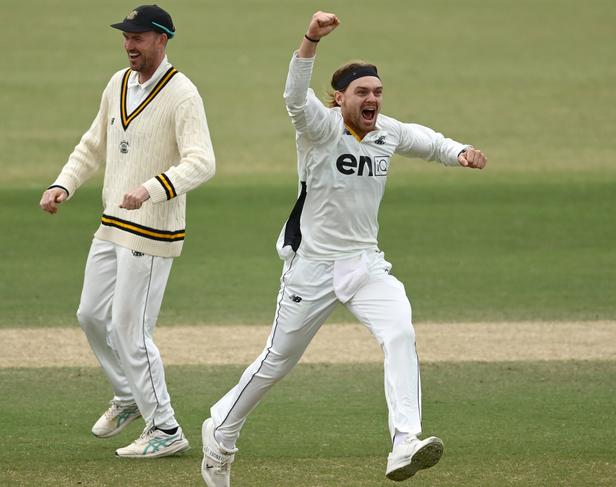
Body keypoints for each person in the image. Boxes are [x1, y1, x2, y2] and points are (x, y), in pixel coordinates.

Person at [201, 10, 486, 485]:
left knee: (399, 332)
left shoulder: (386, 131)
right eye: (362, 92)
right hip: (311, 267)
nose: (372, 99)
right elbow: (294, 98)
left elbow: (430, 141)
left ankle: (404, 443)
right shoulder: (320, 127)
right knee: (277, 360)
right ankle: (221, 431)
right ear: (340, 99)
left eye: (377, 92)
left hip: (364, 265)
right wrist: (310, 39)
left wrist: (460, 152)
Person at [39, 4, 215, 458]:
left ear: (162, 39)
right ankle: (128, 395)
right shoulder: (117, 83)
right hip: (111, 225)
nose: (128, 45)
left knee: (130, 329)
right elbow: (93, 143)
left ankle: (166, 427)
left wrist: (152, 189)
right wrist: (64, 183)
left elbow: (201, 161)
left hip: (153, 231)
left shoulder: (183, 94)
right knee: (91, 315)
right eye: (126, 36)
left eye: (137, 37)